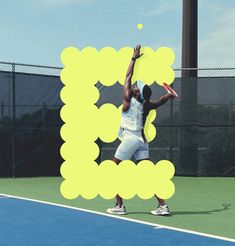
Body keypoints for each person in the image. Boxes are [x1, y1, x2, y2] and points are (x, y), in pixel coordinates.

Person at [107, 45, 176, 216]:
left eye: (137, 87)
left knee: (113, 170)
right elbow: (161, 100)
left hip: (130, 140)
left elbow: (128, 76)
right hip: (142, 142)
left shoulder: (128, 101)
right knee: (148, 174)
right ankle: (163, 206)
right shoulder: (147, 105)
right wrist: (170, 95)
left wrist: (133, 59)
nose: (135, 85)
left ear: (137, 93)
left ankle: (119, 205)